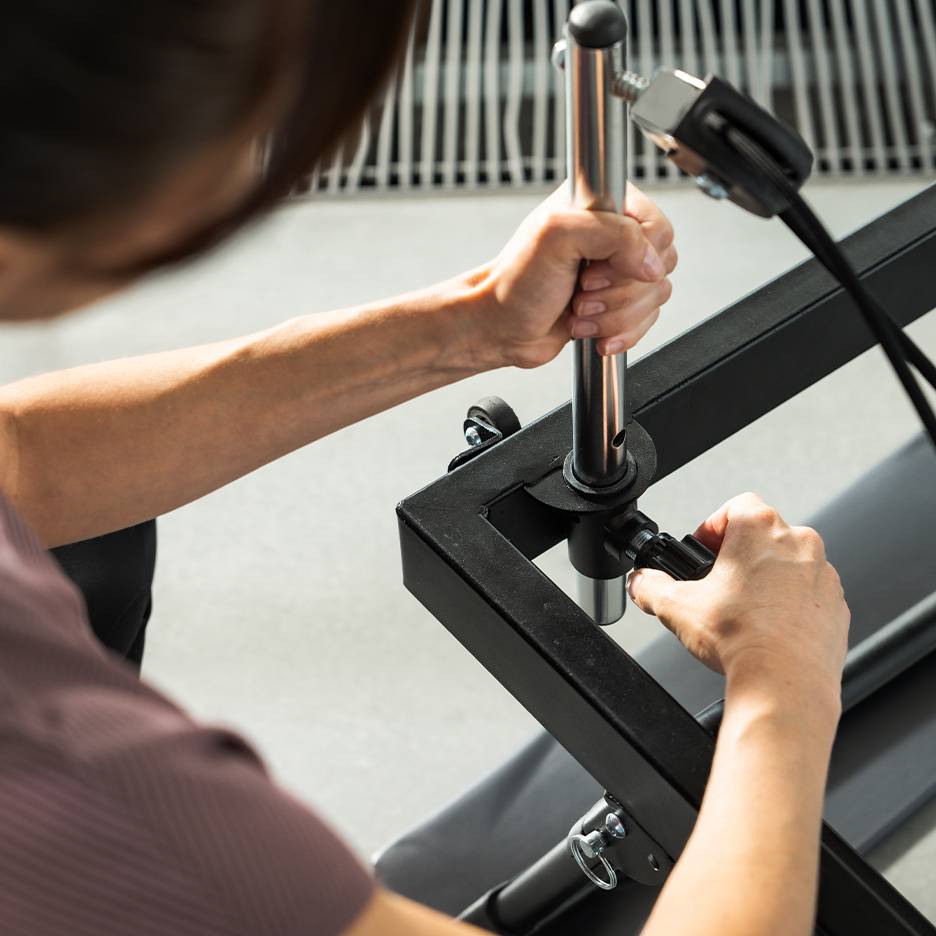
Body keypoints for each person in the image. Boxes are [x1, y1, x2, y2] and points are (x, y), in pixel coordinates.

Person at [0, 2, 849, 934]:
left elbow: (19, 462)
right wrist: (783, 687)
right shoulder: (98, 789)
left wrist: (476, 320)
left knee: (96, 544)